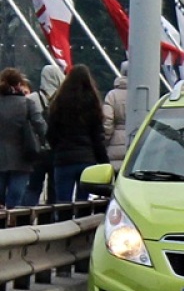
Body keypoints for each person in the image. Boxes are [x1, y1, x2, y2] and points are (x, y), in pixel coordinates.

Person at [45, 64, 107, 204]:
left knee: (62, 202)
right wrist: (103, 161)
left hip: (63, 159)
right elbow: (98, 137)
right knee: (83, 202)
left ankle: (62, 223)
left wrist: (58, 149)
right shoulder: (92, 102)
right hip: (87, 160)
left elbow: (51, 133)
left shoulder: (59, 102)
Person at [0, 67, 47, 208]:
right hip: (23, 157)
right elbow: (41, 126)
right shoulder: (27, 104)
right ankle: (14, 222)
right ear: (19, 84)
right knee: (16, 196)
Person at [22, 64, 63, 206]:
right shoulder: (64, 100)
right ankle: (51, 219)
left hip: (37, 149)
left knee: (33, 187)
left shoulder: (32, 99)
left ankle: (26, 216)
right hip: (57, 150)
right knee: (54, 188)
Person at [102, 61, 129, 171]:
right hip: (137, 140)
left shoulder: (112, 95)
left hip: (115, 141)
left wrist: (106, 140)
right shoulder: (142, 94)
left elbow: (107, 121)